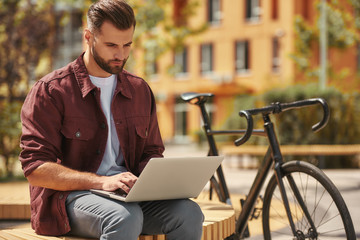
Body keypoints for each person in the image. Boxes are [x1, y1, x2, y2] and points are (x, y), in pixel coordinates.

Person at [19, 0, 204, 239]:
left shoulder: (139, 90)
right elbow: (36, 169)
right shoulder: (52, 91)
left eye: (127, 45)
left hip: (126, 196)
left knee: (189, 213)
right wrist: (100, 182)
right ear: (88, 36)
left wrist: (156, 182)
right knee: (124, 217)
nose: (121, 54)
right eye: (111, 45)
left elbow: (152, 152)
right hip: (69, 199)